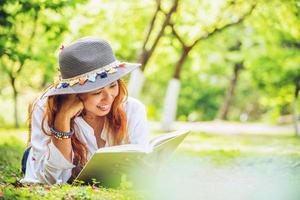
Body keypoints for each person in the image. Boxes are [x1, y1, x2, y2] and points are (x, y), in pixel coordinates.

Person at [20, 37, 149, 185]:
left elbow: (142, 165)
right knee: (32, 156)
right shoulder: (44, 108)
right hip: (41, 159)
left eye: (113, 85)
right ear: (74, 93)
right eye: (97, 92)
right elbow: (50, 180)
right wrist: (62, 118)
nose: (108, 98)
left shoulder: (132, 109)